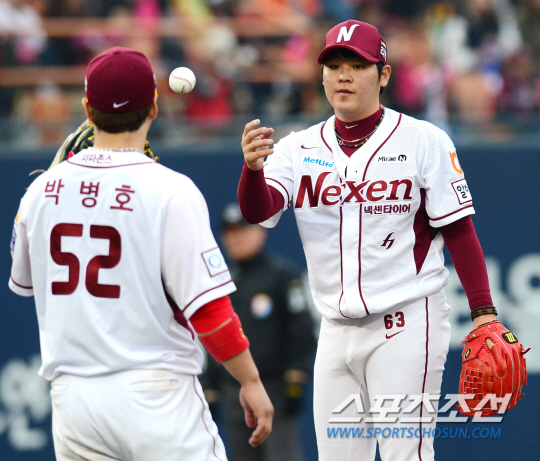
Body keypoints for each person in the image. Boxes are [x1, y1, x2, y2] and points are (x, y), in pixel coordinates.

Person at [237, 19, 511, 461]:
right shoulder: (297, 148)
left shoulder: (423, 140)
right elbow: (258, 211)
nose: (343, 76)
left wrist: (483, 311)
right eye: (333, 66)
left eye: (357, 66)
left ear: (383, 75)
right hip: (334, 328)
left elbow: (458, 229)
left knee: (406, 455)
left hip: (406, 320)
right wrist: (252, 171)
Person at [8, 47, 273, 461]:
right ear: (153, 106)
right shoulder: (171, 189)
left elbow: (25, 281)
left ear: (87, 109)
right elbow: (209, 312)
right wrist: (250, 380)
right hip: (156, 394)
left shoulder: (40, 191)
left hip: (74, 402)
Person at [202, 202, 316, 461]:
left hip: (274, 388)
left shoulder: (282, 276)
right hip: (234, 391)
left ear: (261, 231)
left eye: (242, 230)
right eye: (229, 232)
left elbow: (301, 329)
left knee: (281, 456)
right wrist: (210, 386)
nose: (236, 238)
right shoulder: (223, 282)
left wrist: (295, 378)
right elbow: (214, 333)